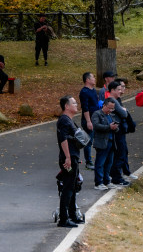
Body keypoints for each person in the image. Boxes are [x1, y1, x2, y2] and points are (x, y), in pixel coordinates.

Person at [56, 95, 83, 228]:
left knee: (72, 186)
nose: (76, 105)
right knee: (67, 187)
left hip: (73, 157)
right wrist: (68, 157)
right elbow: (63, 139)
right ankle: (63, 218)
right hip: (69, 159)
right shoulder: (64, 121)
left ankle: (72, 215)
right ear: (67, 106)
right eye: (74, 103)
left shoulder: (70, 120)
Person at [91, 97, 119, 190]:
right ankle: (98, 182)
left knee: (109, 163)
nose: (110, 110)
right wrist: (108, 127)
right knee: (100, 163)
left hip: (111, 141)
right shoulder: (97, 114)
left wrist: (115, 127)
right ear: (104, 105)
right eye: (109, 108)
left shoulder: (111, 115)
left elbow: (116, 128)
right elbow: (96, 126)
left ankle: (107, 181)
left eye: (112, 108)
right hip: (101, 142)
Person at [106, 80, 130, 187]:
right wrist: (124, 110)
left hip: (119, 130)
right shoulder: (112, 101)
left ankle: (116, 175)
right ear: (112, 90)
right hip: (117, 131)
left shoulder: (117, 100)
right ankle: (116, 177)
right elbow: (124, 114)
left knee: (120, 152)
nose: (121, 92)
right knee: (120, 152)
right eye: (119, 90)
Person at [79, 71, 98, 170]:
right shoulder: (84, 92)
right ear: (87, 80)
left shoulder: (93, 90)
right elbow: (85, 108)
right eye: (93, 77)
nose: (94, 79)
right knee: (88, 141)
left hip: (95, 119)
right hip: (89, 120)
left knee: (95, 139)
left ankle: (94, 161)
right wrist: (88, 121)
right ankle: (88, 162)